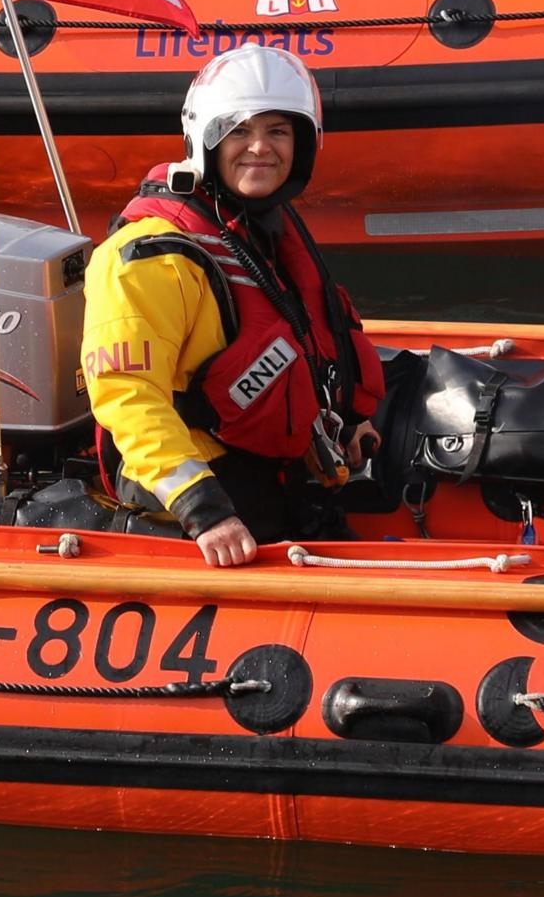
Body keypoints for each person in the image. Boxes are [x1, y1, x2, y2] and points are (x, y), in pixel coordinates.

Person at [82, 45, 385, 566]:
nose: (259, 148)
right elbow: (126, 395)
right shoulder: (152, 256)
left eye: (278, 131)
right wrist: (204, 510)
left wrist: (351, 418)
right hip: (199, 494)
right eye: (239, 131)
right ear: (207, 141)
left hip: (275, 468)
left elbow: (308, 334)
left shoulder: (260, 229)